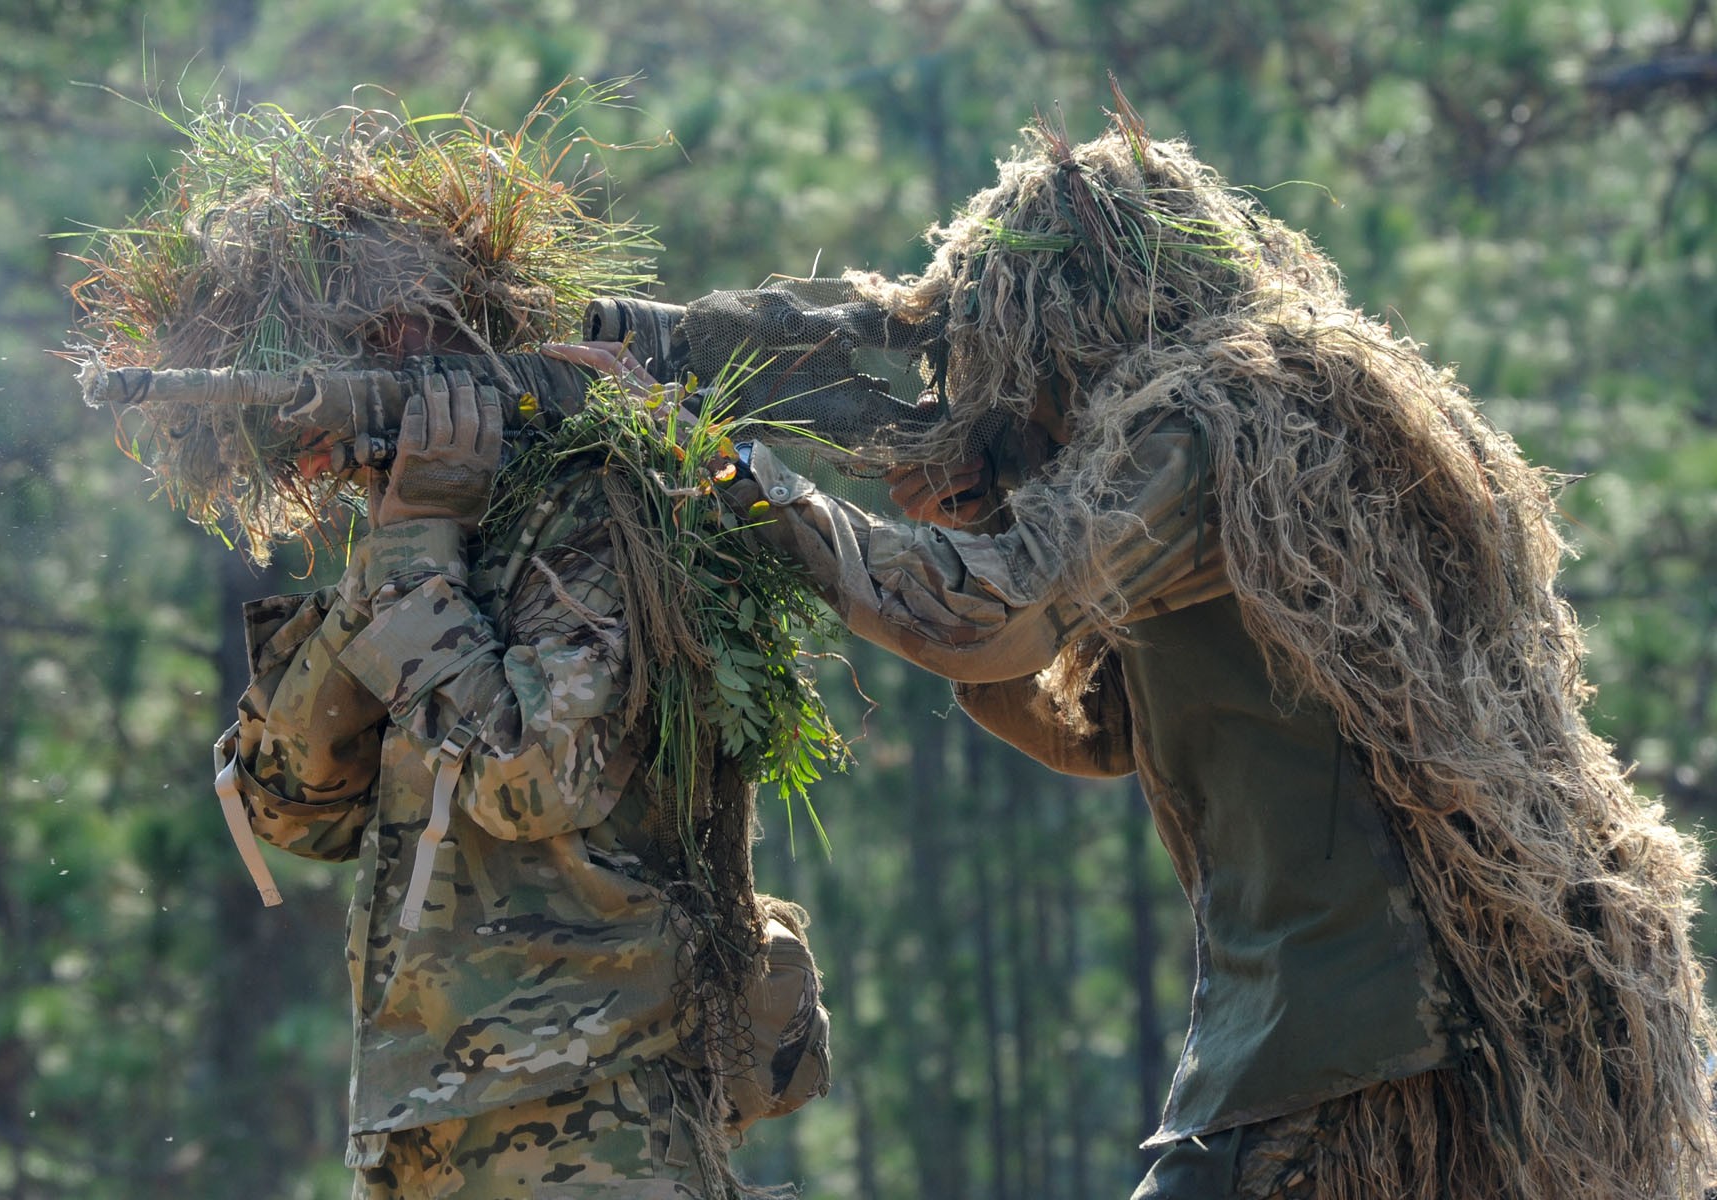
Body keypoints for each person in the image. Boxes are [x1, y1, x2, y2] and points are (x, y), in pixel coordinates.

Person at [708, 114, 1715, 1198]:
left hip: (1380, 1043)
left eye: (1009, 376)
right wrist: (964, 532)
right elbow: (1099, 734)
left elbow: (984, 619)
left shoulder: (1214, 420)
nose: (1011, 418)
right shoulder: (1281, 416)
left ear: (1068, 328)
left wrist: (744, 479)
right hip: (1431, 1030)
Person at [217, 347, 829, 1199]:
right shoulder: (427, 537)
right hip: (417, 1123)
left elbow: (531, 777)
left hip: (585, 1114)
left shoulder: (591, 515)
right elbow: (287, 807)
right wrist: (396, 557)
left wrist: (414, 566)